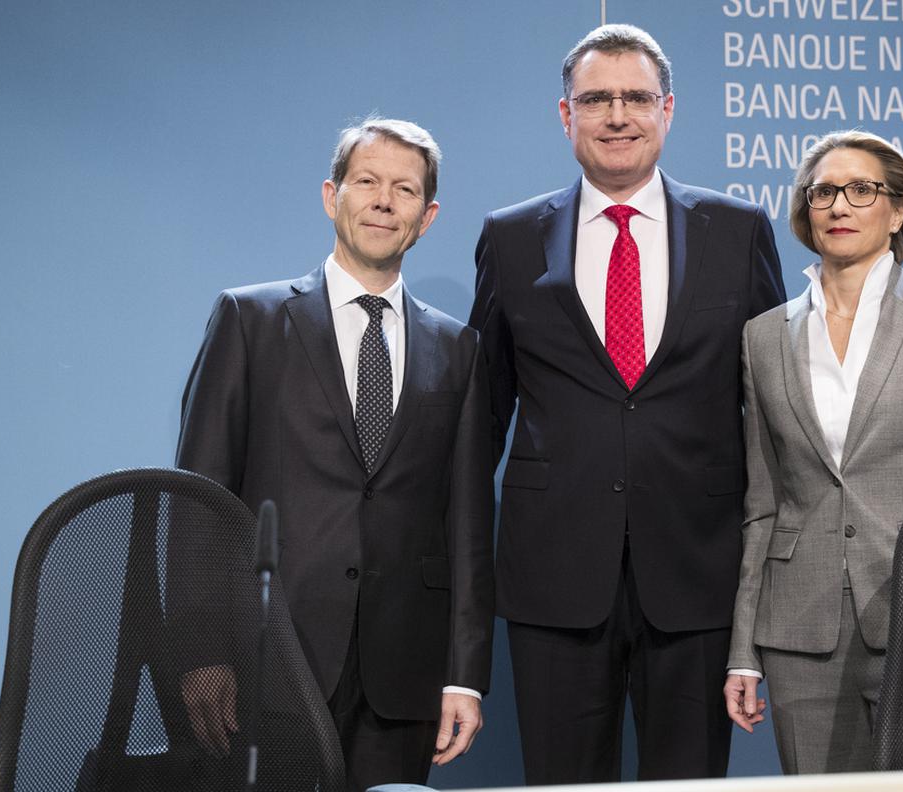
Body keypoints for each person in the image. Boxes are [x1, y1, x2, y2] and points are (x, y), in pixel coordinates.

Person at [468, 23, 785, 784]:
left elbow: (771, 410)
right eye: (597, 99)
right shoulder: (511, 238)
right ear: (565, 114)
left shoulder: (737, 230)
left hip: (698, 568)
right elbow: (481, 419)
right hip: (554, 573)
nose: (618, 115)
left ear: (668, 110)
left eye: (637, 97)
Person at [175, 117, 494, 791]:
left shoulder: (459, 349)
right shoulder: (249, 320)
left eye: (404, 190)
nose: (384, 201)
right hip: (268, 660)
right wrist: (202, 651)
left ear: (427, 215)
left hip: (404, 674)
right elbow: (200, 500)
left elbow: (467, 525)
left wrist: (466, 673)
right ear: (332, 196)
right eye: (368, 182)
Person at [723, 130, 903, 773]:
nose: (839, 206)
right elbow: (762, 504)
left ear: (898, 210)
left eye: (861, 190)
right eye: (823, 191)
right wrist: (744, 646)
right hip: (800, 628)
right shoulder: (763, 336)